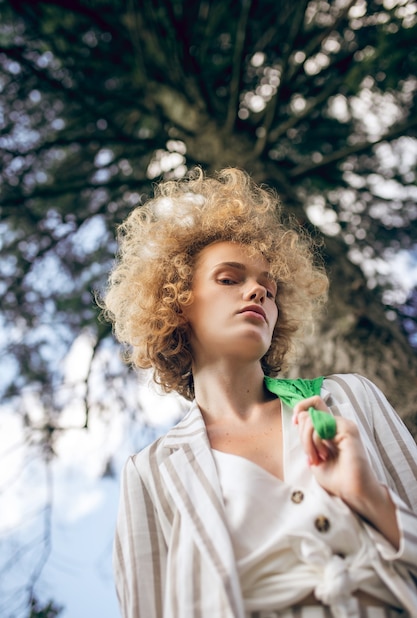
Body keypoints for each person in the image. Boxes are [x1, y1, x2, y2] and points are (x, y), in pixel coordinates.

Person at [102, 167, 417, 618]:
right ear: (177, 303)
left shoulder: (347, 398)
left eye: (268, 290)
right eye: (229, 279)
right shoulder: (151, 472)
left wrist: (369, 497)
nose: (257, 292)